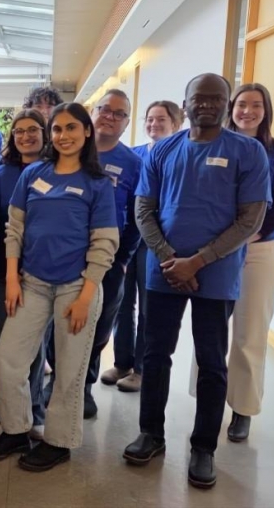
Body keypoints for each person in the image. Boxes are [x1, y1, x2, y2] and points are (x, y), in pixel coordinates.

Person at [122, 73, 270, 490]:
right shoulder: (163, 150)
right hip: (163, 272)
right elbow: (144, 210)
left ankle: (204, 447)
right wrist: (171, 259)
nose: (207, 104)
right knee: (154, 356)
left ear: (226, 103)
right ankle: (150, 433)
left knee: (210, 361)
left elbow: (250, 219)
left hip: (216, 274)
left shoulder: (248, 151)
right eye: (198, 98)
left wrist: (199, 260)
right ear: (184, 103)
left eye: (216, 98)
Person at [0, 103, 118, 472]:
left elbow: (104, 243)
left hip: (77, 287)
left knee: (69, 370)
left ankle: (59, 441)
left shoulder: (98, 183)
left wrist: (87, 296)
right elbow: (15, 229)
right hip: (33, 284)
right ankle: (15, 429)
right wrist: (11, 278)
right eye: (57, 129)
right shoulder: (34, 174)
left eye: (71, 128)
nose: (63, 136)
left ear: (86, 132)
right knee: (8, 361)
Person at [223, 84, 274, 441]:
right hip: (217, 252)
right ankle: (209, 398)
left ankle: (243, 409)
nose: (248, 111)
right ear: (231, 108)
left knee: (249, 335)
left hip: (258, 252)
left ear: (266, 110)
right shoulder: (217, 146)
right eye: (241, 104)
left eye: (256, 105)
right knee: (211, 331)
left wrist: (242, 237)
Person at [103, 101, 183, 393]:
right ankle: (121, 362)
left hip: (157, 241)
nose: (153, 125)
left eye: (161, 119)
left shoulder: (180, 154)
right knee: (123, 304)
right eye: (149, 119)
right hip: (130, 238)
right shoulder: (135, 155)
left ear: (176, 123)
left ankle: (141, 368)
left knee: (149, 305)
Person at [0, 109, 50, 440]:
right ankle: (0, 410)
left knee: (35, 348)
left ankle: (34, 411)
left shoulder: (59, 171)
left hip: (42, 273)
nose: (26, 136)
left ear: (45, 132)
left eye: (33, 130)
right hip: (2, 271)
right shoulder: (0, 174)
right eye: (19, 131)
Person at [82, 89, 143, 419]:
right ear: (93, 112)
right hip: (65, 257)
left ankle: (85, 386)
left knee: (100, 325)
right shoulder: (71, 150)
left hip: (109, 261)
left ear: (126, 123)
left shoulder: (133, 163)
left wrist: (122, 260)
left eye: (118, 113)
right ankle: (56, 380)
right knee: (56, 322)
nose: (109, 116)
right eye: (104, 109)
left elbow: (137, 216)